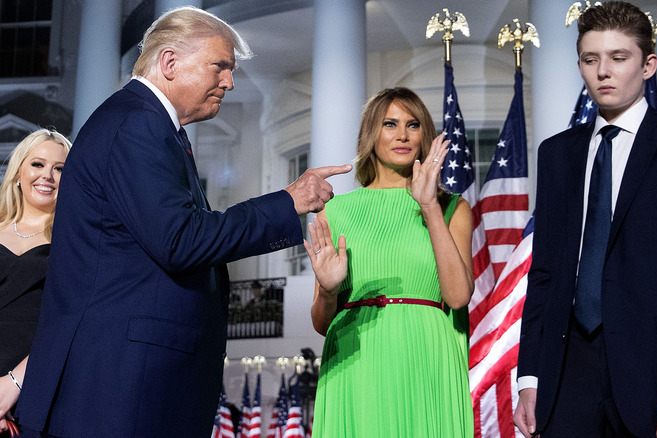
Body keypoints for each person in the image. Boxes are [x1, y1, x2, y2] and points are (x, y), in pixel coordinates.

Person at [15, 7, 350, 438]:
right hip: (121, 388)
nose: (229, 81)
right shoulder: (137, 124)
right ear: (170, 62)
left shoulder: (148, 125)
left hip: (126, 382)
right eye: (220, 66)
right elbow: (181, 240)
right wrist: (287, 202)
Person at [513, 2, 657, 437]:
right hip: (566, 378)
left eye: (619, 58)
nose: (604, 71)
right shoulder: (556, 153)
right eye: (590, 59)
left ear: (648, 65)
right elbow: (545, 276)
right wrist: (531, 379)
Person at [304, 87, 474, 437]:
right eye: (390, 124)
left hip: (426, 355)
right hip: (356, 358)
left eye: (413, 125)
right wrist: (328, 289)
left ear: (424, 135)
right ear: (371, 133)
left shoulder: (452, 208)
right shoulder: (335, 211)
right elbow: (322, 323)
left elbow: (457, 297)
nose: (402, 135)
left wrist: (428, 206)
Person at [0, 129, 70, 436]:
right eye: (38, 164)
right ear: (17, 172)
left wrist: (12, 386)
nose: (48, 176)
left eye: (60, 169)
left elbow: (67, 323)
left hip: (34, 395)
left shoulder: (74, 242)